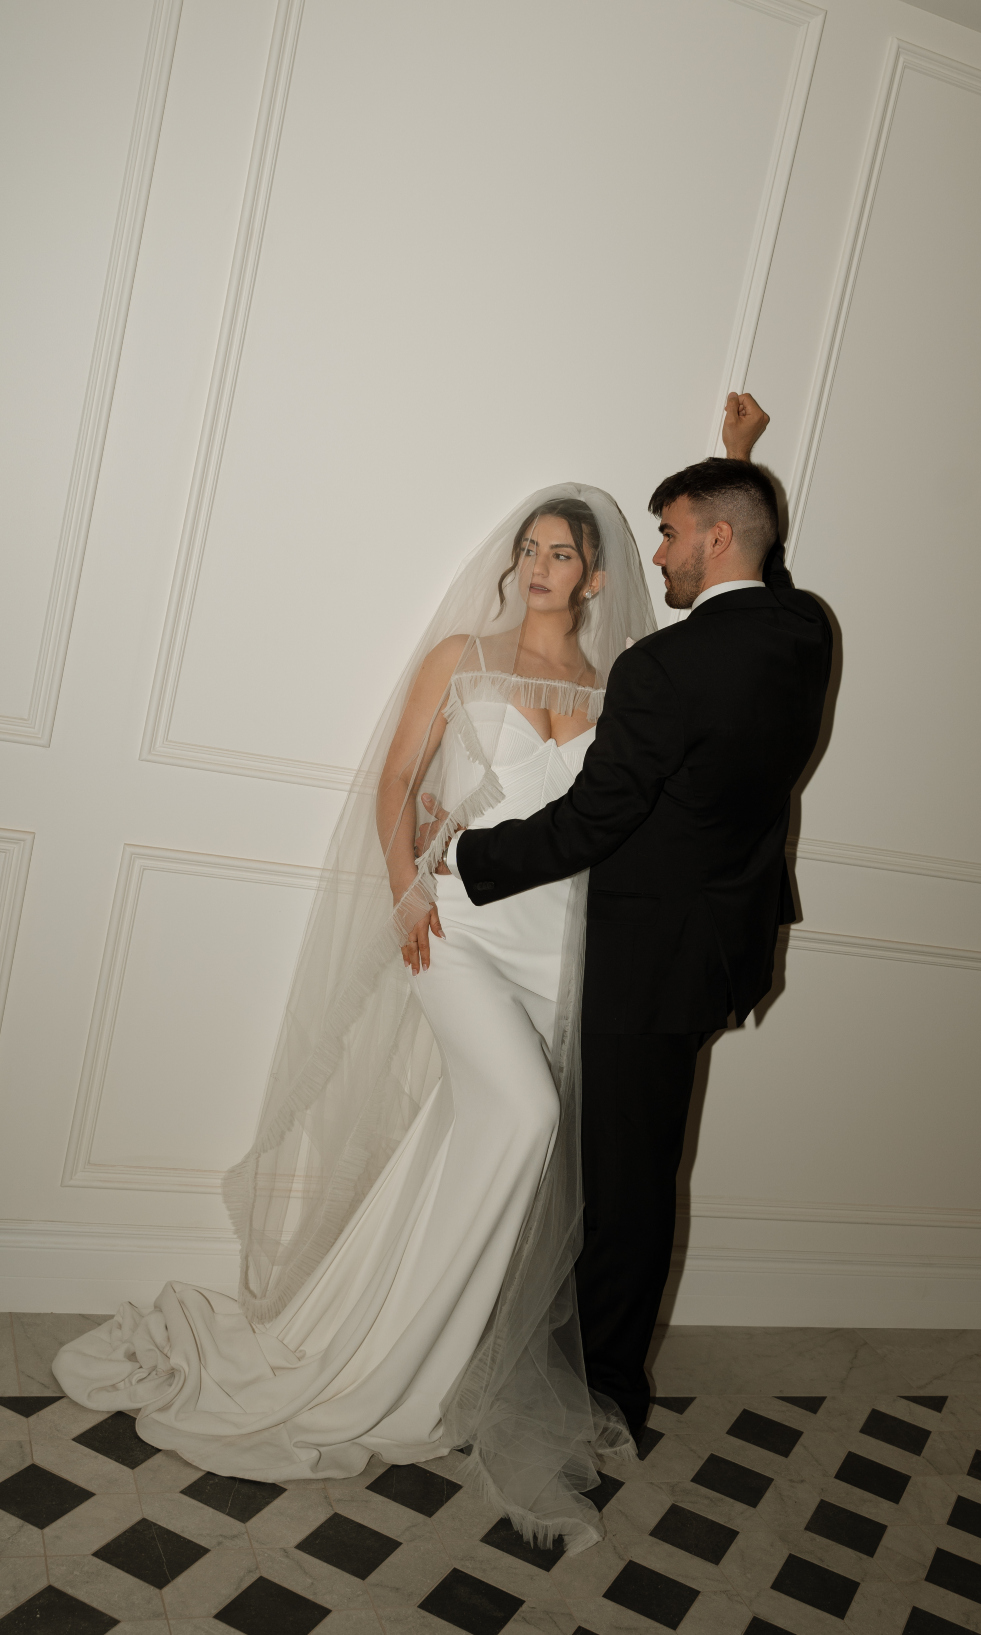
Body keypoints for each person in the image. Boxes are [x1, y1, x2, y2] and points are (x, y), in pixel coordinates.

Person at [54, 479, 659, 1552]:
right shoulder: (461, 657)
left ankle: (414, 1343)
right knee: (521, 1120)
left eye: (560, 554)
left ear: (597, 575)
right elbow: (396, 780)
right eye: (528, 547)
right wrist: (406, 889)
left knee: (475, 1142)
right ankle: (378, 1364)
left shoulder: (620, 686)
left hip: (559, 947)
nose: (536, 565)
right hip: (457, 926)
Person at [445, 398, 834, 1438]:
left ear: (713, 538)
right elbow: (766, 570)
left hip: (645, 955)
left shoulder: (657, 668)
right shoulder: (803, 631)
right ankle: (583, 1355)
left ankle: (603, 1390)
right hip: (724, 951)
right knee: (638, 1162)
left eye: (669, 534)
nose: (654, 553)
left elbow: (591, 818)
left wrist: (468, 856)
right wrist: (740, 465)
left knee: (621, 1184)